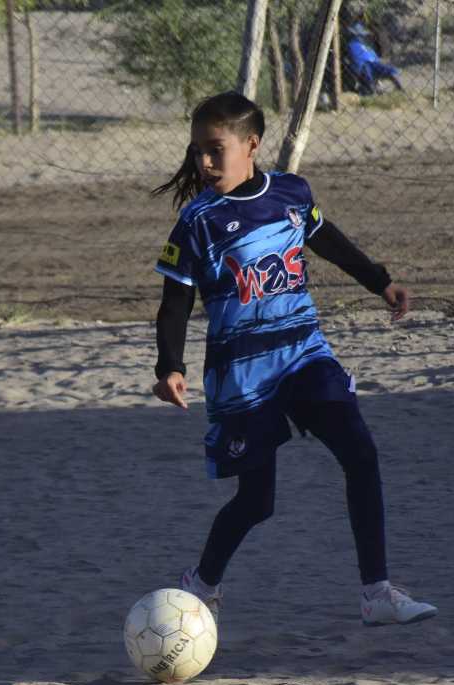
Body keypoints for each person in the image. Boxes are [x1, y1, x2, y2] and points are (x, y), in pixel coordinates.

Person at [149, 91, 437, 628]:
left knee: (360, 453)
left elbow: (327, 238)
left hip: (305, 355)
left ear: (252, 144)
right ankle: (202, 582)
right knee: (257, 502)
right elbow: (175, 301)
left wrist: (381, 282)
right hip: (243, 375)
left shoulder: (290, 193)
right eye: (197, 152)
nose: (204, 163)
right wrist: (170, 365)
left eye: (215, 149)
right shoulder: (197, 221)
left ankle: (376, 593)